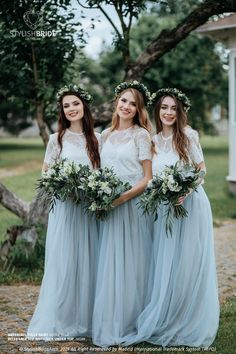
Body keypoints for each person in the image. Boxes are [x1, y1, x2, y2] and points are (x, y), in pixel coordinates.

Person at [123, 88, 219, 348]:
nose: (168, 113)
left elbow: (201, 170)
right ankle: (165, 315)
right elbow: (150, 177)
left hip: (190, 205)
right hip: (164, 209)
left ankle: (187, 319)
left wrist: (185, 190)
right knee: (165, 261)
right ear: (158, 111)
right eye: (164, 108)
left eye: (173, 109)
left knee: (186, 262)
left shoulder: (188, 136)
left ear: (180, 112)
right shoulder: (152, 141)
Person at [27, 84, 100, 340]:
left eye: (75, 104)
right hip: (66, 210)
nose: (71, 109)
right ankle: (61, 318)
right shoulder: (56, 139)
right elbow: (46, 173)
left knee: (89, 261)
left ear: (84, 106)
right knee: (65, 261)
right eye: (66, 105)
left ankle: (88, 319)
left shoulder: (97, 139)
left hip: (89, 210)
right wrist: (62, 184)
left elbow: (102, 173)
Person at [92, 81, 153, 347]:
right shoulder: (104, 135)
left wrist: (122, 198)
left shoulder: (141, 135)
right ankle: (110, 320)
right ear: (117, 101)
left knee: (134, 263)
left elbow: (147, 178)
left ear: (139, 110)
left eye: (133, 103)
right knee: (111, 262)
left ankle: (132, 320)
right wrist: (100, 195)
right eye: (124, 101)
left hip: (132, 207)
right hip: (109, 207)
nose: (127, 106)